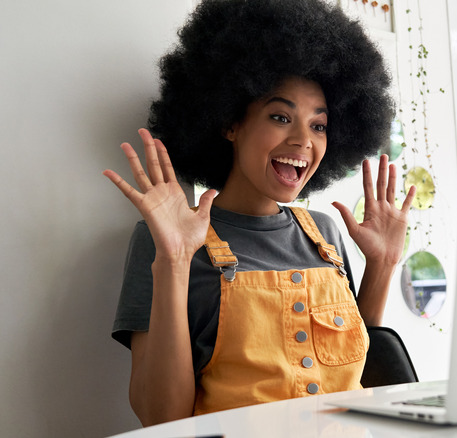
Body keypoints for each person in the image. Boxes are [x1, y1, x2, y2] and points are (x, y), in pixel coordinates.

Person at [103, 0, 415, 426]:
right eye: (281, 116)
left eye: (319, 124)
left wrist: (381, 265)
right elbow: (162, 419)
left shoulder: (323, 234)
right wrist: (174, 260)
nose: (304, 140)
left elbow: (350, 372)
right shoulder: (162, 239)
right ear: (230, 123)